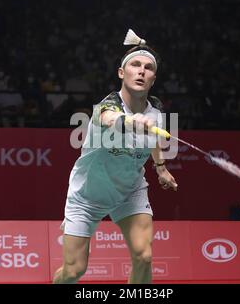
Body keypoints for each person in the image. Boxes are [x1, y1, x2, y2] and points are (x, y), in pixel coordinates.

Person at [53, 29, 178, 284]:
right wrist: (131, 121)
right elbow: (108, 118)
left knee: (144, 256)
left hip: (129, 190)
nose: (141, 71)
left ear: (153, 78)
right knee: (73, 272)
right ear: (122, 72)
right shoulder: (107, 106)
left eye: (148, 67)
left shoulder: (156, 110)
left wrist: (160, 166)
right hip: (87, 196)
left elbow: (153, 137)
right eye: (135, 65)